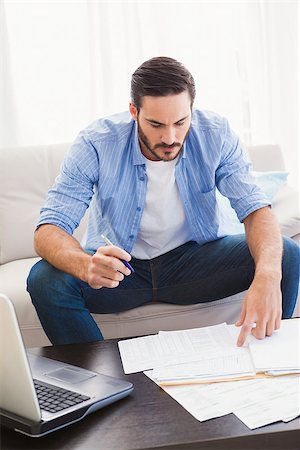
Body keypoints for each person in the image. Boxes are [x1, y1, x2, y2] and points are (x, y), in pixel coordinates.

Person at [27, 56, 299, 347]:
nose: (170, 137)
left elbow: (255, 209)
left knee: (285, 253)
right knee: (45, 280)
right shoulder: (96, 142)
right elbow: (48, 230)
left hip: (194, 263)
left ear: (191, 109)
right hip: (123, 273)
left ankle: (269, 360)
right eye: (156, 124)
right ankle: (104, 380)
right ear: (134, 111)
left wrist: (268, 275)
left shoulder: (216, 134)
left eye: (180, 122)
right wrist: (85, 265)